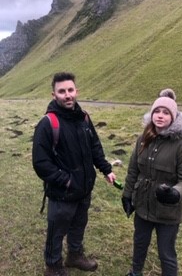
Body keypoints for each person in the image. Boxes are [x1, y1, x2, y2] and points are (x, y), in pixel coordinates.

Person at [32, 72, 116, 276]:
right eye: (62, 91)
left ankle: (74, 256)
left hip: (84, 189)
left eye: (70, 90)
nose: (67, 95)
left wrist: (106, 169)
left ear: (76, 91)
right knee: (56, 231)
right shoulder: (48, 123)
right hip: (63, 192)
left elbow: (95, 146)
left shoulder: (84, 118)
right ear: (54, 95)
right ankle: (53, 266)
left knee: (79, 225)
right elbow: (41, 163)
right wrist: (66, 181)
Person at [122, 89, 182, 276]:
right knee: (139, 243)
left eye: (165, 112)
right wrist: (128, 194)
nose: (160, 116)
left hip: (167, 212)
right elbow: (133, 170)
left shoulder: (181, 145)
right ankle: (135, 272)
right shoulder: (143, 139)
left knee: (166, 253)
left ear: (173, 117)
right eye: (157, 111)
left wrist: (175, 193)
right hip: (143, 206)